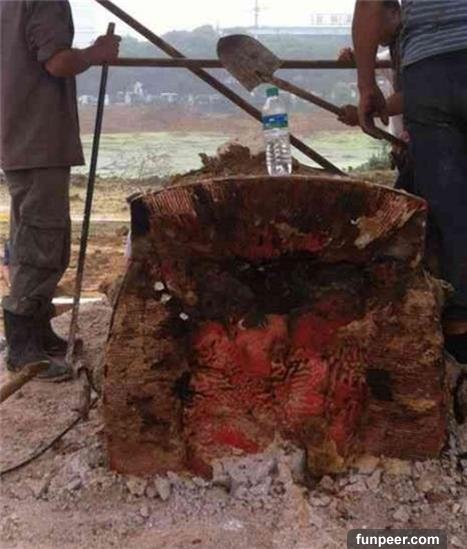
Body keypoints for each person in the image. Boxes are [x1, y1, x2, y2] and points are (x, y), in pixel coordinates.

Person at [0, 0, 120, 378]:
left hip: (25, 138)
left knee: (39, 237)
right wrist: (96, 53)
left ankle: (36, 331)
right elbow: (57, 62)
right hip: (37, 139)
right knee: (41, 242)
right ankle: (24, 349)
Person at [352, 0, 467, 363]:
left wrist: (366, 86)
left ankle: (460, 333)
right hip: (429, 74)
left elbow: (369, 4)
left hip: (431, 74)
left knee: (450, 216)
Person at [338, 0, 413, 192]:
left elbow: (413, 96)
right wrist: (353, 56)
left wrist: (366, 113)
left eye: (375, 19)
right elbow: (369, 62)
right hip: (405, 144)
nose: (373, 31)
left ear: (395, 12)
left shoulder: (411, 46)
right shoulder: (392, 51)